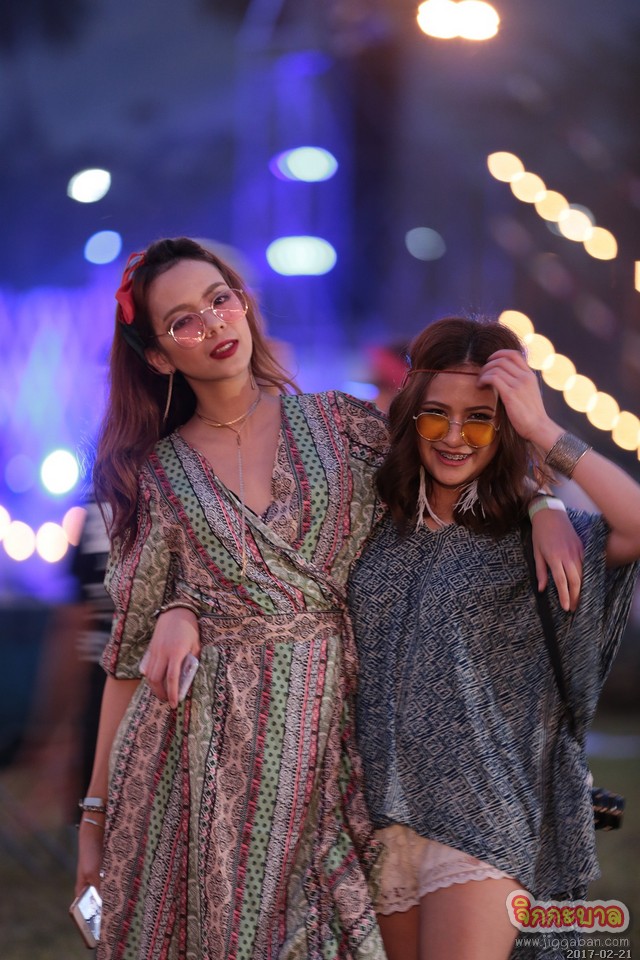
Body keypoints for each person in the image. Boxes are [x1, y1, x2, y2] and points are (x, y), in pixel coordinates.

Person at [74, 238, 582, 960]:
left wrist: (543, 502)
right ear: (158, 356)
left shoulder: (341, 426)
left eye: (219, 299)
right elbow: (126, 661)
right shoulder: (153, 476)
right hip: (204, 762)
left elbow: (456, 470)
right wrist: (95, 815)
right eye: (183, 321)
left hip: (339, 743)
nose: (213, 324)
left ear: (243, 303)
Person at [346, 317, 640, 960]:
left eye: (480, 419)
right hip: (376, 818)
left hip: (484, 816)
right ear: (411, 413)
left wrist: (544, 434)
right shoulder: (367, 521)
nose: (455, 437)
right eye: (436, 415)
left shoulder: (530, 536)